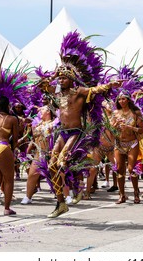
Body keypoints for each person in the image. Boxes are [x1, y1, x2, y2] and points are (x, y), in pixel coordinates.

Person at [38, 68, 122, 218]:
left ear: (71, 80)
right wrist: (54, 75)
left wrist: (110, 85)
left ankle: (78, 186)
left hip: (76, 133)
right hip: (62, 133)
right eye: (60, 78)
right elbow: (41, 85)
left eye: (64, 78)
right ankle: (61, 203)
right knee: (52, 166)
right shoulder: (58, 92)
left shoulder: (79, 92)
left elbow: (96, 89)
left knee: (63, 161)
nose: (61, 80)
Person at [111, 91, 143, 204]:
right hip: (119, 143)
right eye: (120, 99)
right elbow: (111, 130)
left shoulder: (135, 113)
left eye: (124, 99)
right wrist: (115, 125)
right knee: (119, 169)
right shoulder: (115, 113)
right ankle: (122, 195)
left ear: (128, 100)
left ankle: (136, 193)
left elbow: (141, 130)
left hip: (132, 143)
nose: (121, 101)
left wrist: (131, 128)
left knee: (131, 169)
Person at [21, 105, 55, 205]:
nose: (39, 110)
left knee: (57, 175)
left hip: (51, 153)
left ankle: (66, 195)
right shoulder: (36, 124)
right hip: (39, 154)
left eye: (42, 109)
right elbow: (33, 139)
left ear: (49, 111)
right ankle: (28, 196)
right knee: (32, 175)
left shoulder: (54, 124)